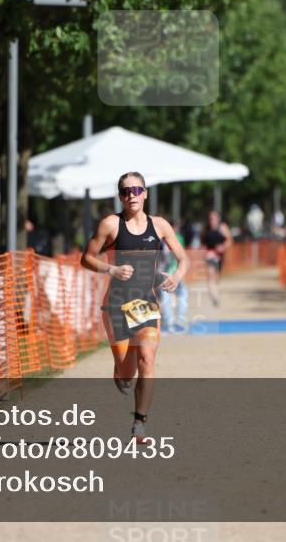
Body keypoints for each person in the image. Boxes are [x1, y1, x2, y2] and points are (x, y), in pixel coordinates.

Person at [81, 172, 188, 443]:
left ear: (145, 194)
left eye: (137, 190)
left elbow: (183, 258)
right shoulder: (110, 224)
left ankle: (139, 424)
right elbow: (86, 258)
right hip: (115, 305)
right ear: (120, 196)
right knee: (127, 372)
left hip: (145, 304)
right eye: (126, 191)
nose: (132, 195)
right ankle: (121, 373)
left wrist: (176, 276)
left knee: (147, 360)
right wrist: (112, 269)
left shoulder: (159, 225)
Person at [157, 219, 189, 332]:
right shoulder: (176, 238)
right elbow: (180, 256)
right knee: (180, 295)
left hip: (167, 271)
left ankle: (170, 322)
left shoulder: (161, 239)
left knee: (167, 297)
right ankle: (177, 321)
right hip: (173, 272)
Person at [202, 210, 232, 307]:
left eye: (214, 218)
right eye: (210, 218)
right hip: (210, 255)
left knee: (216, 277)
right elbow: (203, 241)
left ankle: (215, 293)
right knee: (210, 275)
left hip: (220, 256)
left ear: (218, 219)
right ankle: (214, 297)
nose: (212, 220)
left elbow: (229, 240)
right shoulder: (206, 228)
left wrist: (223, 247)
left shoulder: (222, 228)